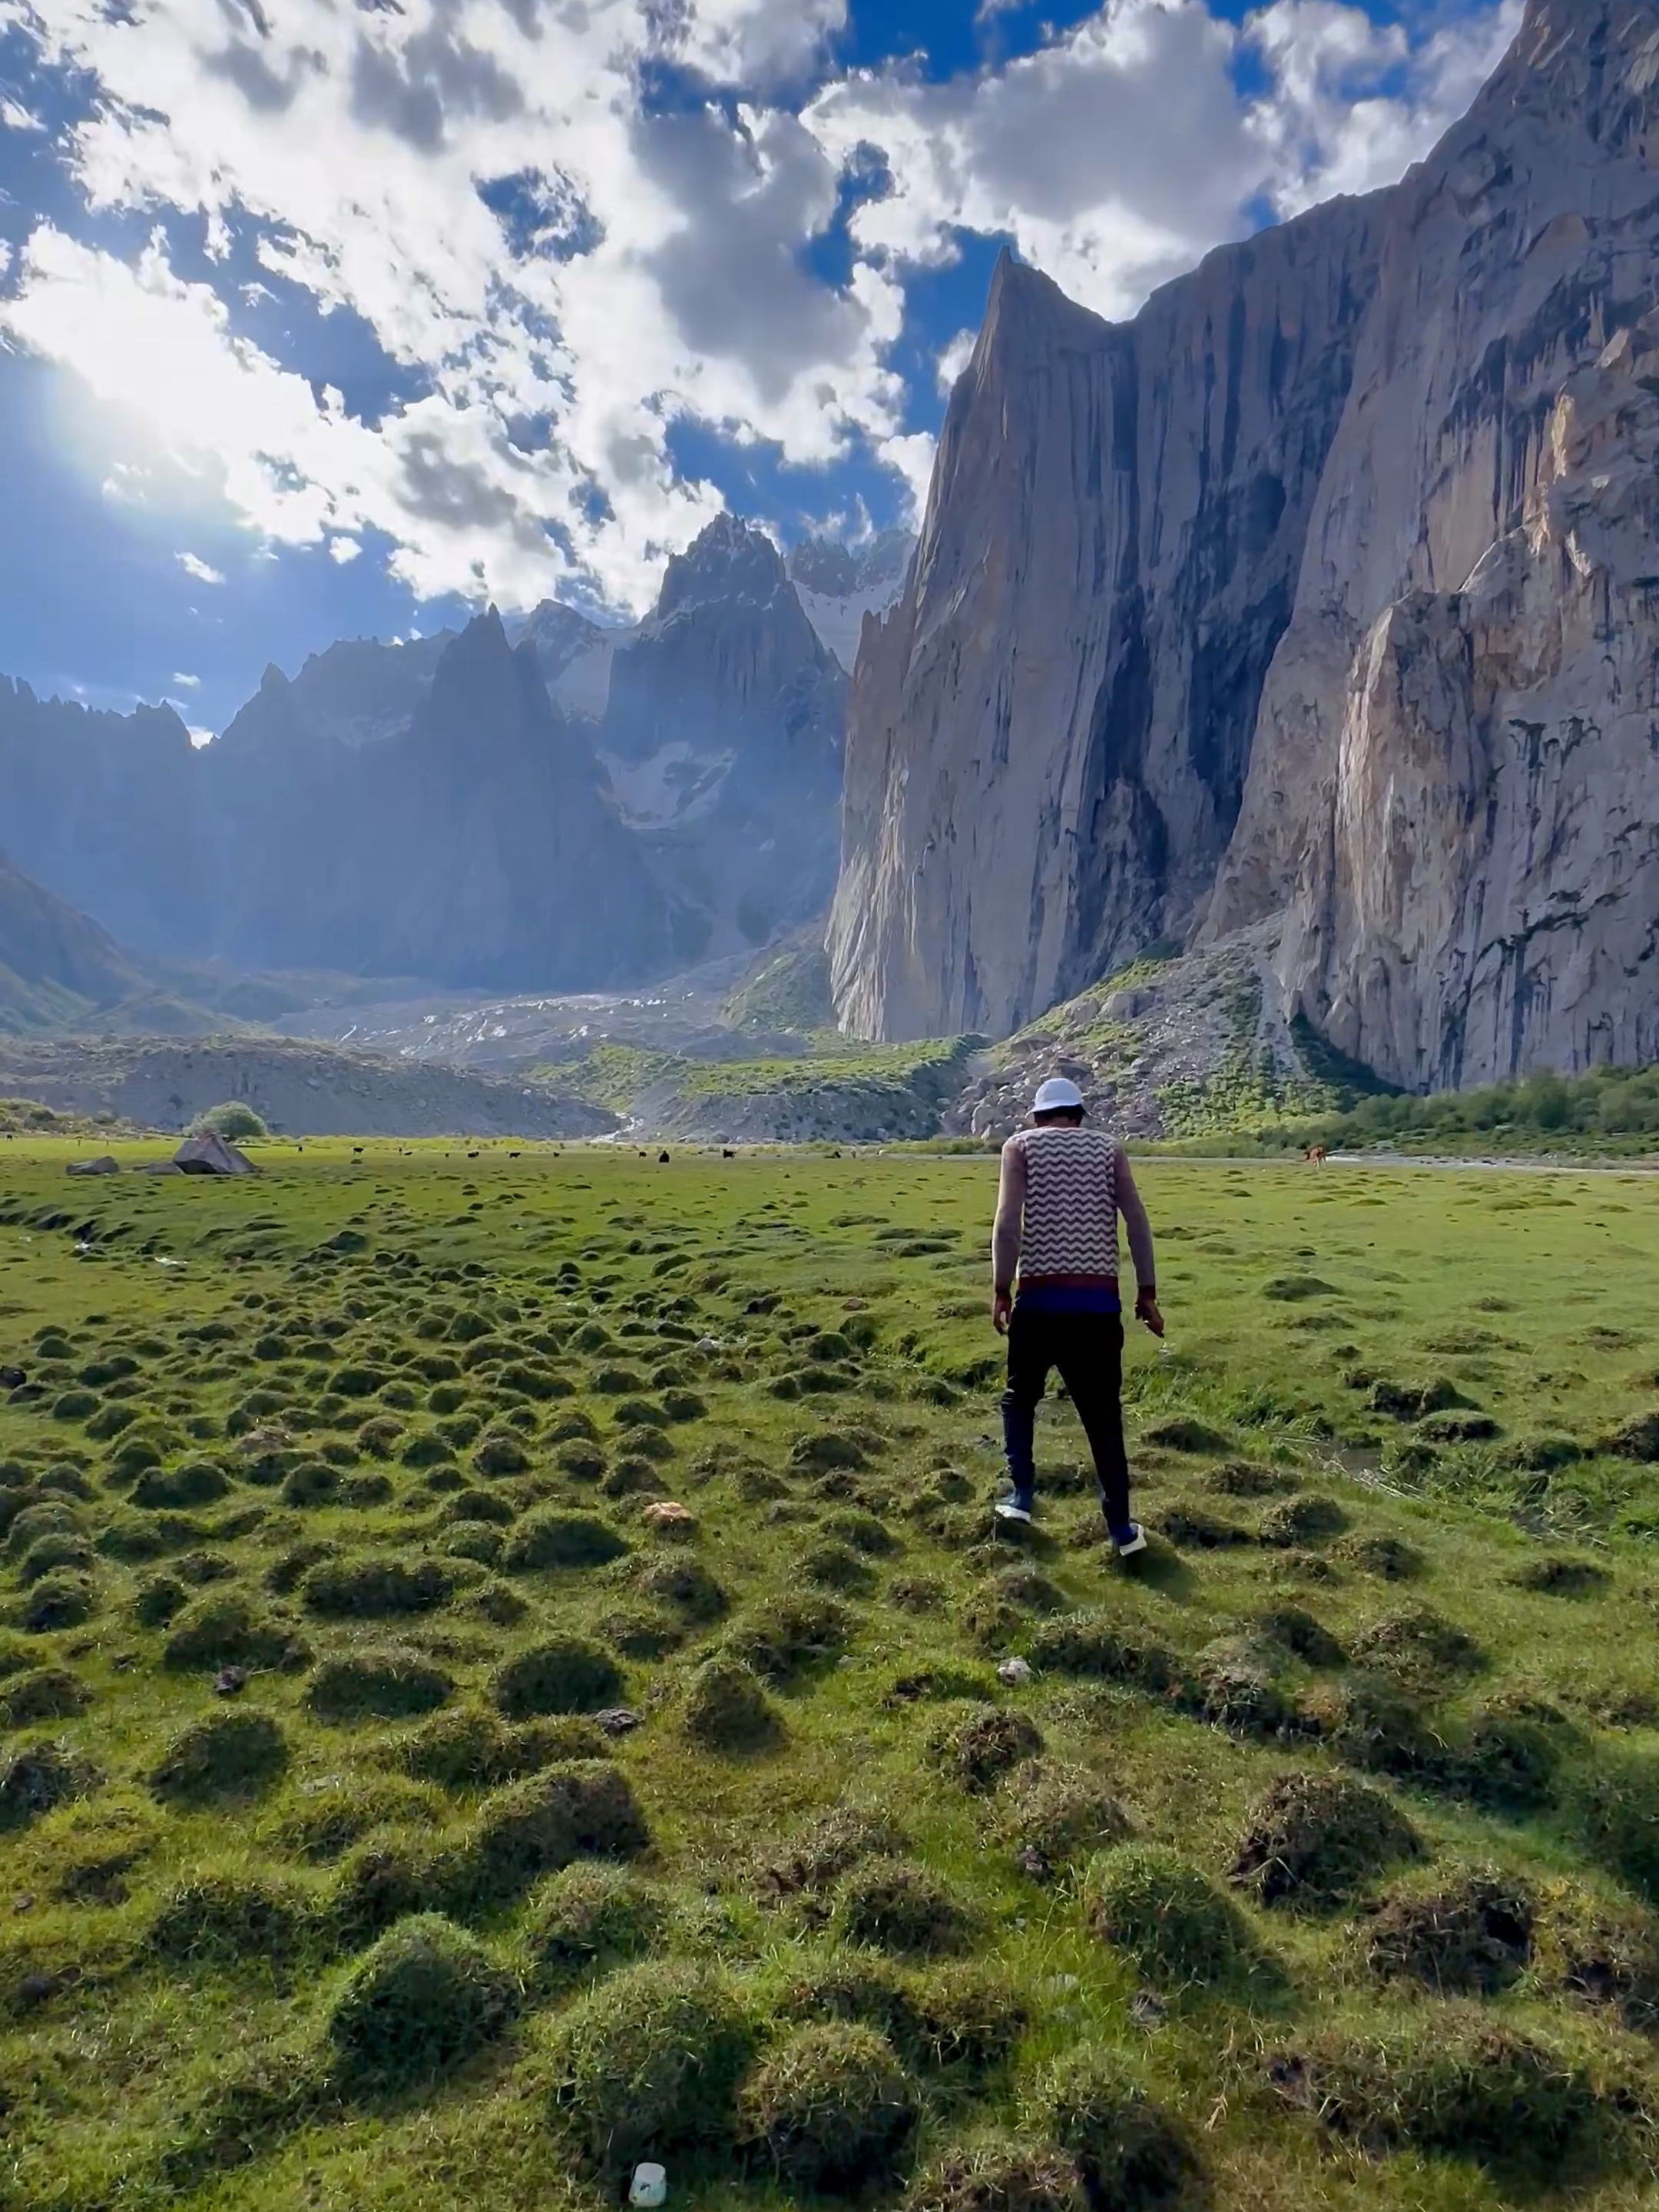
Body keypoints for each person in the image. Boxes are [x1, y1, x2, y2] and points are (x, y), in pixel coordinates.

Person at [990, 1075, 1164, 1553]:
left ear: (1038, 1117)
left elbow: (1007, 1224)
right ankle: (1122, 1530)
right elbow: (1137, 1222)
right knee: (1104, 1417)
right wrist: (1146, 1292)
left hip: (1040, 1304)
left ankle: (1022, 1496)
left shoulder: (1019, 1147)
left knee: (1020, 1399)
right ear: (1080, 1114)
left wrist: (1001, 1289)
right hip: (1098, 1306)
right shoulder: (1109, 1150)